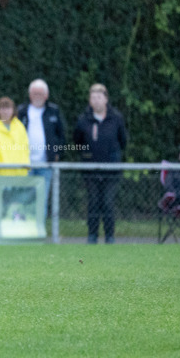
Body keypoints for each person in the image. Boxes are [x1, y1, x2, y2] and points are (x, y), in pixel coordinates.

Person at [72, 83, 127, 244]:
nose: (96, 101)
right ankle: (92, 236)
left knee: (108, 203)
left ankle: (110, 236)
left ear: (106, 99)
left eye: (99, 97)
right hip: (90, 170)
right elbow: (77, 142)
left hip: (111, 171)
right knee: (93, 203)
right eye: (93, 97)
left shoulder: (116, 118)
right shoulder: (83, 120)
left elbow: (123, 141)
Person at [16, 79, 67, 212]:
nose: (37, 96)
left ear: (46, 95)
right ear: (29, 94)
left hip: (46, 164)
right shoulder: (21, 111)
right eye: (34, 93)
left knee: (41, 199)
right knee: (23, 198)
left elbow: (61, 136)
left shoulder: (53, 111)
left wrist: (57, 154)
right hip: (25, 164)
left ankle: (39, 230)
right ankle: (24, 230)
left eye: (40, 93)